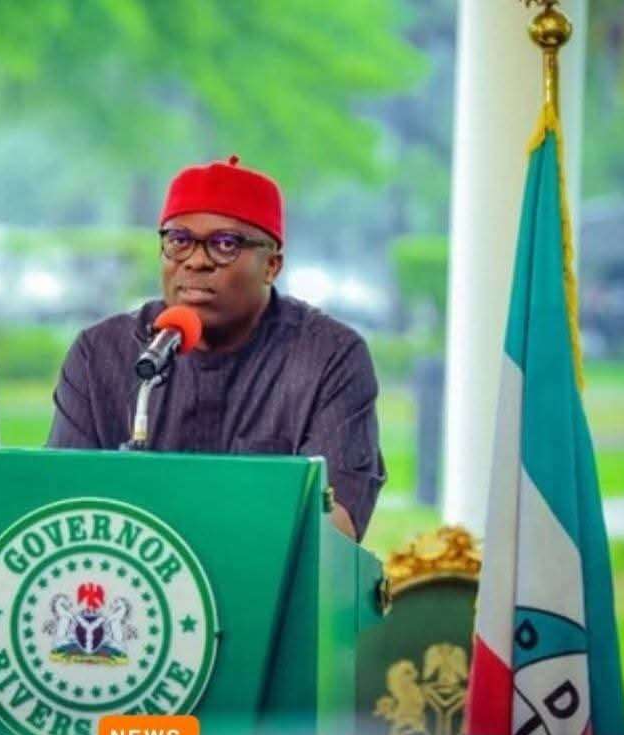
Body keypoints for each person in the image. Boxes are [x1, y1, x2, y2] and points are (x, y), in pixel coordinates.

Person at [46, 155, 386, 541]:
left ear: (272, 266)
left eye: (225, 245)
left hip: (263, 578)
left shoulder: (329, 357)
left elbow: (335, 528)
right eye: (179, 241)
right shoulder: (101, 353)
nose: (195, 261)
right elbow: (58, 503)